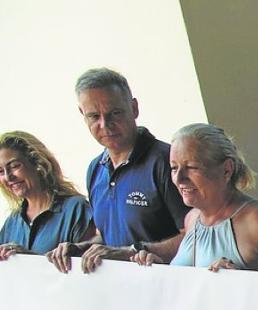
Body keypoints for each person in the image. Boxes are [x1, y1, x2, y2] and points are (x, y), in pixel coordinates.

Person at [47, 68, 190, 273]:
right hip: (118, 287)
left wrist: (133, 252)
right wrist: (80, 249)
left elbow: (196, 237)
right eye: (94, 116)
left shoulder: (167, 162)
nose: (105, 125)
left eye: (114, 113)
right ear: (83, 115)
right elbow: (108, 237)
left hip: (166, 285)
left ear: (134, 108)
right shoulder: (95, 169)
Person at [127, 124, 258, 274]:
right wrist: (159, 269)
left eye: (191, 167)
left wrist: (243, 283)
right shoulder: (192, 219)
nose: (179, 178)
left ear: (226, 169)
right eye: (174, 168)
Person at [0, 131, 94, 259]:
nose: (8, 177)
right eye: (0, 171)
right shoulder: (12, 222)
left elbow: (88, 265)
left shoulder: (76, 209)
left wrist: (28, 258)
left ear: (37, 163)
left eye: (14, 166)